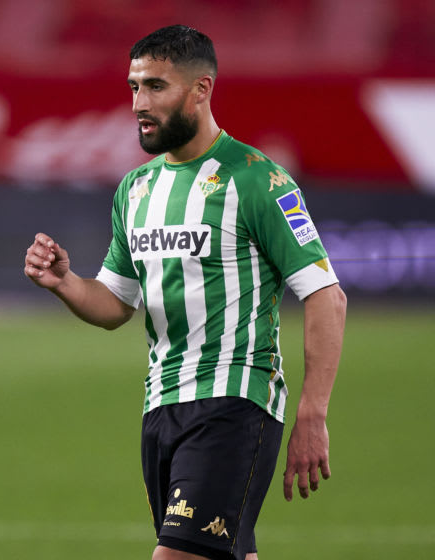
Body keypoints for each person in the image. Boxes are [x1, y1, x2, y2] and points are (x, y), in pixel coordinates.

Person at [23, 25, 346, 560]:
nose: (138, 104)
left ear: (201, 90)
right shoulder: (137, 189)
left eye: (156, 87)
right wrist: (65, 283)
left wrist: (313, 413)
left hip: (234, 403)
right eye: (133, 87)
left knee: (176, 556)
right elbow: (114, 304)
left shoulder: (258, 181)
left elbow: (325, 296)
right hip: (161, 409)